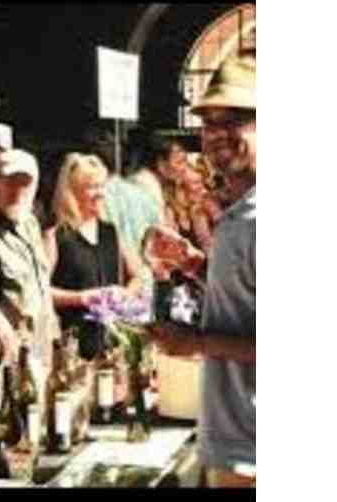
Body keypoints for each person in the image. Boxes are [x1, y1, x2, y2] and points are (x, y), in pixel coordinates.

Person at [149, 54, 256, 488]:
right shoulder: (242, 212)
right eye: (210, 122)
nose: (218, 133)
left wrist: (194, 342)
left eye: (237, 119)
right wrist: (197, 265)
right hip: (236, 444)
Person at [0, 148, 59, 376]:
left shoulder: (29, 221)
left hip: (39, 350)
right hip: (4, 364)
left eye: (25, 183)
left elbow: (40, 285)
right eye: (9, 181)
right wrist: (22, 367)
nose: (17, 190)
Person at [49, 152, 144, 360]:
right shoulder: (57, 236)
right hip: (72, 349)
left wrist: (125, 295)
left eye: (102, 186)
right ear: (72, 192)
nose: (100, 193)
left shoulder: (111, 231)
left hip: (113, 345)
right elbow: (41, 292)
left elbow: (138, 275)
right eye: (92, 187)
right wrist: (82, 298)